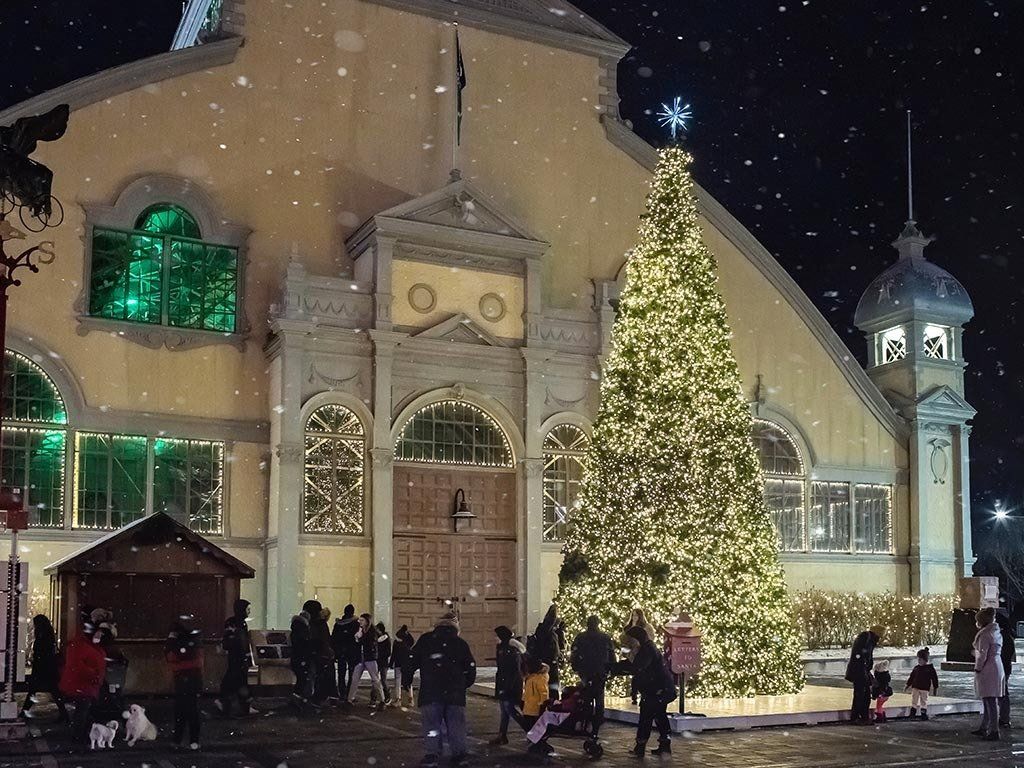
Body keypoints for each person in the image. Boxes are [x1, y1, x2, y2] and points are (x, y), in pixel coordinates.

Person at [404, 611, 477, 767]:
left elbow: (411, 662)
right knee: (456, 725)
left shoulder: (426, 640)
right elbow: (470, 669)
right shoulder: (460, 643)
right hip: (455, 694)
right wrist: (463, 685)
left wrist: (407, 680)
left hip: (430, 692)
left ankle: (432, 755)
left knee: (431, 724)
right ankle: (459, 754)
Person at [623, 625, 677, 757]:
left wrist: (620, 665)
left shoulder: (646, 650)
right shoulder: (648, 648)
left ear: (636, 640)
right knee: (659, 715)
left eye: (630, 641)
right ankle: (664, 745)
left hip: (658, 690)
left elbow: (637, 667)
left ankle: (640, 747)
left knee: (646, 716)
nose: (628, 645)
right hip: (661, 689)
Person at [58, 620, 107, 742]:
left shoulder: (84, 645)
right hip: (83, 684)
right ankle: (79, 735)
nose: (98, 637)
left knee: (83, 709)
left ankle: (81, 733)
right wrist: (94, 675)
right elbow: (79, 666)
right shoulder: (82, 646)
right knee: (82, 710)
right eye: (97, 634)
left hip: (85, 684)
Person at [570, 614, 615, 738]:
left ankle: (586, 721)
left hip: (586, 671)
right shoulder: (605, 637)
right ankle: (596, 725)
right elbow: (611, 654)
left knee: (587, 698)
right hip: (600, 672)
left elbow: (574, 652)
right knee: (599, 699)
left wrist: (575, 666)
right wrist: (612, 669)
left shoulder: (581, 637)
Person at [165, 619, 204, 750]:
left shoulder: (176, 643)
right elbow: (197, 662)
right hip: (192, 681)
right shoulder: (193, 643)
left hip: (183, 681)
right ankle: (193, 741)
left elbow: (171, 658)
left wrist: (177, 667)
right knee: (191, 712)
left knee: (181, 712)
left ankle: (178, 740)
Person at [20, 614, 68, 721]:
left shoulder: (43, 635)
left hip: (42, 668)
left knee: (34, 691)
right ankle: (64, 714)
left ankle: (24, 712)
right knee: (54, 691)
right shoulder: (48, 634)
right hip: (48, 668)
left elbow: (41, 653)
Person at [217, 599, 256, 717]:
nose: (249, 612)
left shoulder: (237, 622)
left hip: (238, 657)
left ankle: (231, 705)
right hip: (238, 657)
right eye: (247, 609)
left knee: (235, 681)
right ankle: (240, 706)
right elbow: (239, 642)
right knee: (237, 681)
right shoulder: (238, 623)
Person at [972, 606, 1004, 740]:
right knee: (989, 699)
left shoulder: (985, 634)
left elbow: (982, 654)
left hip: (988, 669)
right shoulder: (995, 632)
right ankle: (986, 726)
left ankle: (993, 730)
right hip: (996, 666)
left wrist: (978, 668)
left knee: (989, 700)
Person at [490, 625, 524, 745]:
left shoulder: (510, 650)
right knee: (505, 711)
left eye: (497, 635)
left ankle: (531, 731)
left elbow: (513, 670)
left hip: (509, 685)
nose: (495, 638)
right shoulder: (503, 648)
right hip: (504, 684)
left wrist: (507, 687)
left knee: (509, 710)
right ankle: (502, 735)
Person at [845, 624, 885, 724]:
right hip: (859, 671)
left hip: (862, 670)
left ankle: (862, 716)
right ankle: (857, 717)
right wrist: (864, 668)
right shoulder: (866, 637)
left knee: (864, 694)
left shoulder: (869, 639)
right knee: (861, 694)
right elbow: (860, 654)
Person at [347, 613, 386, 709]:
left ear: (367, 621)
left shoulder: (372, 631)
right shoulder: (361, 630)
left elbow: (373, 640)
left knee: (375, 680)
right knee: (355, 679)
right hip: (361, 658)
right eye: (359, 620)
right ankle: (349, 699)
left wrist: (359, 638)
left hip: (370, 658)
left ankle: (382, 700)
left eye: (362, 620)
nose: (360, 622)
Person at [622, 608, 658, 705]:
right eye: (633, 615)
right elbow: (624, 643)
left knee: (640, 675)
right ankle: (633, 694)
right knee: (635, 674)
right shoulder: (627, 628)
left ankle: (639, 695)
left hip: (643, 655)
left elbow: (650, 640)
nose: (634, 617)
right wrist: (627, 652)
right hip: (631, 655)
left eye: (636, 615)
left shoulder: (646, 627)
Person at [530, 604, 565, 698]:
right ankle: (550, 704)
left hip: (551, 662)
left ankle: (552, 703)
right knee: (550, 686)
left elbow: (559, 644)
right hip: (547, 662)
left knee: (552, 686)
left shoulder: (552, 632)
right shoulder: (545, 630)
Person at [290, 600, 318, 710]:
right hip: (302, 657)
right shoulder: (303, 629)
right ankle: (299, 700)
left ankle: (299, 700)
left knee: (302, 680)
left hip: (299, 657)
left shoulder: (296, 627)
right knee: (303, 680)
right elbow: (303, 643)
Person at [905, 646, 939, 720]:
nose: (919, 661)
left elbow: (934, 678)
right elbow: (912, 677)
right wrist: (908, 684)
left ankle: (923, 714)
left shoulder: (930, 669)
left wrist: (935, 688)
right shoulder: (917, 668)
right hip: (916, 687)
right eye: (918, 659)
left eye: (920, 659)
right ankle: (912, 714)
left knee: (923, 701)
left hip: (924, 688)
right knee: (914, 700)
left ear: (925, 660)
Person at [332, 604, 359, 697]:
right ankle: (349, 693)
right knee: (352, 673)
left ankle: (342, 692)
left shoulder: (338, 624)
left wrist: (335, 652)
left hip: (341, 651)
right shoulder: (356, 624)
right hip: (352, 651)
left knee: (341, 673)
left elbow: (334, 639)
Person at [312, 605, 337, 704]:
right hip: (325, 654)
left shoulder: (315, 625)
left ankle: (322, 696)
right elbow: (325, 640)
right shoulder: (322, 625)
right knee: (328, 676)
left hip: (320, 654)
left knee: (321, 676)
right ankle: (330, 695)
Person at [997, 612, 1016, 728]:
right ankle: (1004, 717)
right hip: (1004, 667)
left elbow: (1006, 654)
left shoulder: (1003, 637)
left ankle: (1004, 718)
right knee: (1002, 692)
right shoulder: (1007, 636)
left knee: (1002, 693)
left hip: (1002, 667)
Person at [521, 657, 550, 733]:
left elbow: (544, 693)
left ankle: (534, 740)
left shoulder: (540, 678)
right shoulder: (530, 677)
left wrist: (543, 704)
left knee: (534, 725)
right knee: (529, 725)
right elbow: (527, 691)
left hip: (535, 707)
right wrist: (523, 700)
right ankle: (531, 738)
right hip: (529, 707)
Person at [391, 625, 416, 708]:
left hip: (398, 663)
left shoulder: (397, 643)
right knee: (408, 682)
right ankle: (410, 699)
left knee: (398, 681)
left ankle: (398, 699)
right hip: (407, 664)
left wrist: (391, 663)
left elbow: (393, 654)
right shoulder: (409, 644)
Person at [373, 622, 393, 706]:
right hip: (377, 661)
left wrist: (379, 655)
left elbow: (388, 652)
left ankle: (387, 695)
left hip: (383, 662)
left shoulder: (386, 639)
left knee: (383, 680)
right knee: (375, 680)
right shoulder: (376, 638)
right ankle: (373, 698)